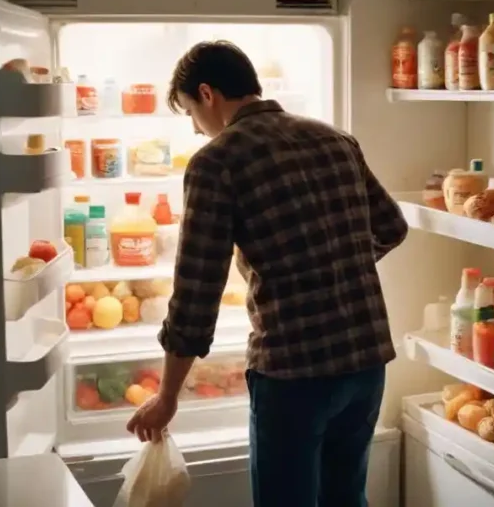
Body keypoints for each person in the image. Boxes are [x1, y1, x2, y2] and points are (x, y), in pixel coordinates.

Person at [126, 40, 408, 507]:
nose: (197, 130)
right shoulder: (335, 139)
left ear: (207, 94)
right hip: (366, 359)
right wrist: (333, 262)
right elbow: (392, 227)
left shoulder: (217, 162)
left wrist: (168, 394)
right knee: (346, 498)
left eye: (190, 113)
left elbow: (197, 293)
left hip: (294, 370)